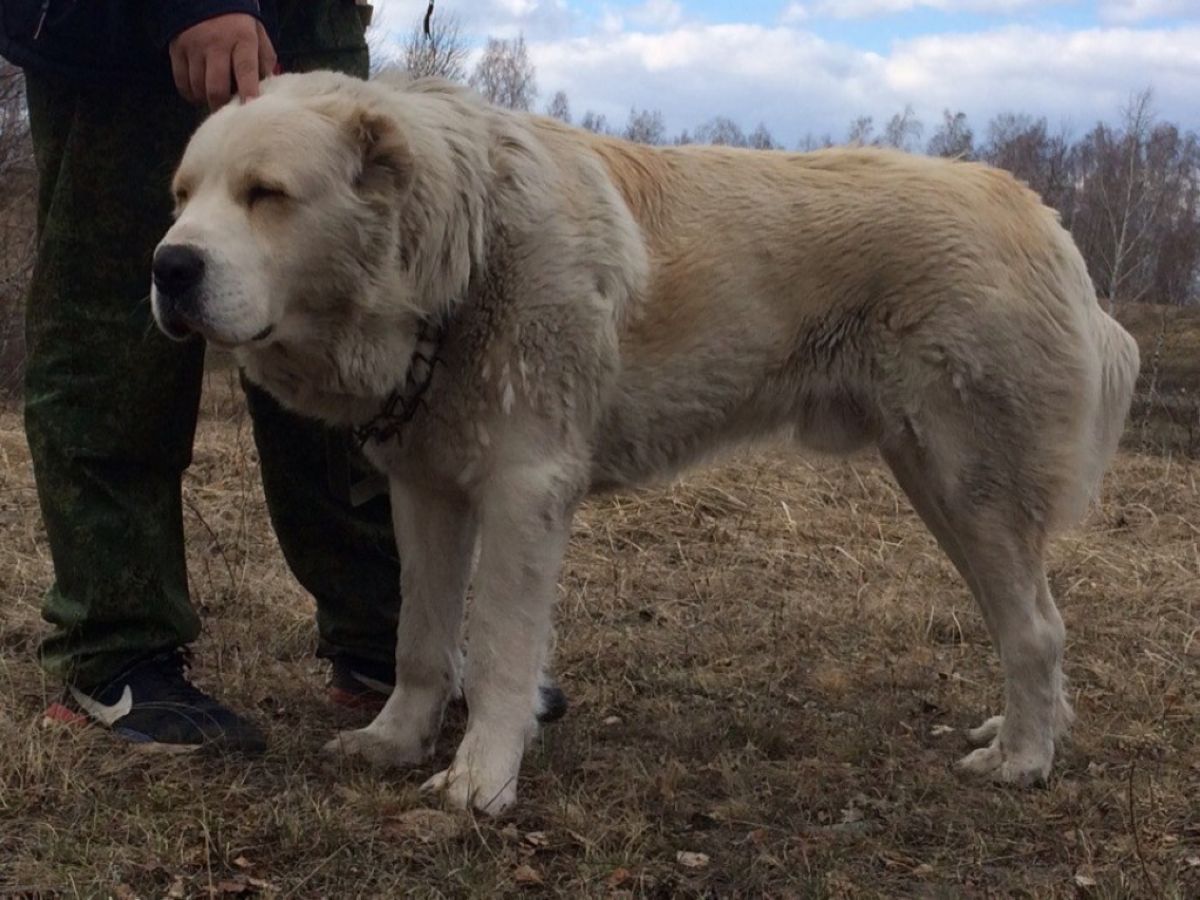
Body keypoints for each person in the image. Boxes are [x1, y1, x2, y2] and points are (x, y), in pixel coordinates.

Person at [0, 0, 415, 753]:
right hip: (122, 34)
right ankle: (119, 647)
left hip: (308, 16)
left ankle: (392, 637)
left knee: (336, 317)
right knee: (115, 329)